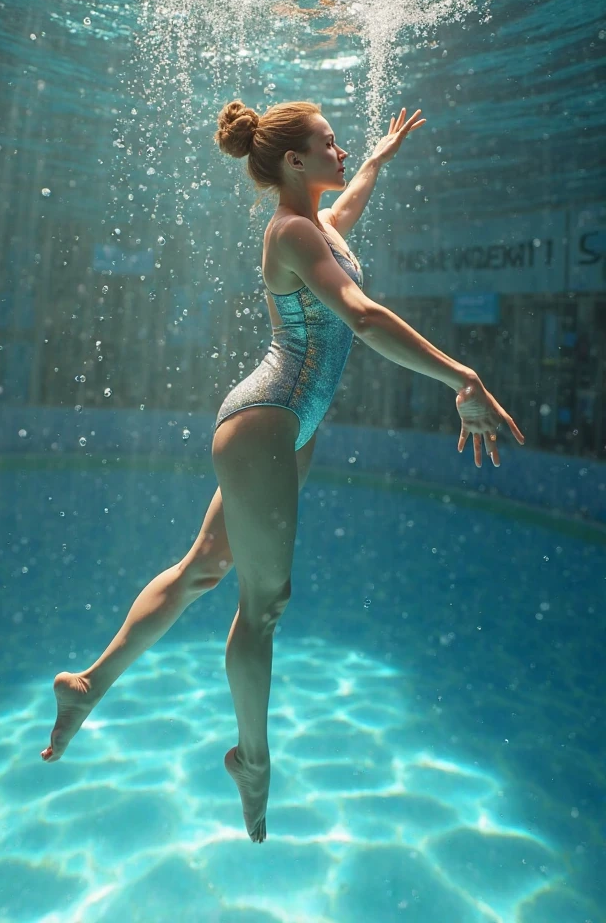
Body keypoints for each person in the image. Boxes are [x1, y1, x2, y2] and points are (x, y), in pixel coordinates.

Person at [41, 100, 525, 843]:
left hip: (284, 427)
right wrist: (464, 377)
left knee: (206, 565)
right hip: (267, 420)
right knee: (263, 604)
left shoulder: (318, 227)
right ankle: (254, 762)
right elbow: (361, 317)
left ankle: (87, 684)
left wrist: (376, 162)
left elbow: (350, 201)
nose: (342, 147)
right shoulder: (294, 233)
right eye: (329, 142)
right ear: (294, 162)